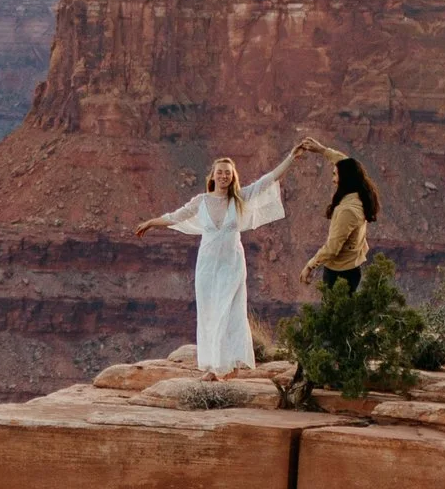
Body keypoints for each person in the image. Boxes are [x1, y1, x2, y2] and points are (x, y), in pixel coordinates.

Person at [134, 141, 315, 375]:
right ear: (212, 176)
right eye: (220, 172)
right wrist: (151, 223)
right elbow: (174, 217)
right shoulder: (201, 201)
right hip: (207, 267)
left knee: (229, 312)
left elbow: (267, 180)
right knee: (209, 313)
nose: (223, 176)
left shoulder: (239, 198)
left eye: (228, 173)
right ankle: (215, 366)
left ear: (232, 177)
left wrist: (291, 157)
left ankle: (229, 365)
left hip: (232, 265)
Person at [307, 152, 379, 296]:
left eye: (335, 174)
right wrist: (322, 149)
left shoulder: (347, 210)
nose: (333, 179)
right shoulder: (359, 195)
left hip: (339, 274)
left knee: (336, 309)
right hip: (350, 269)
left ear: (345, 178)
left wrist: (310, 266)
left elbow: (332, 248)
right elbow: (350, 165)